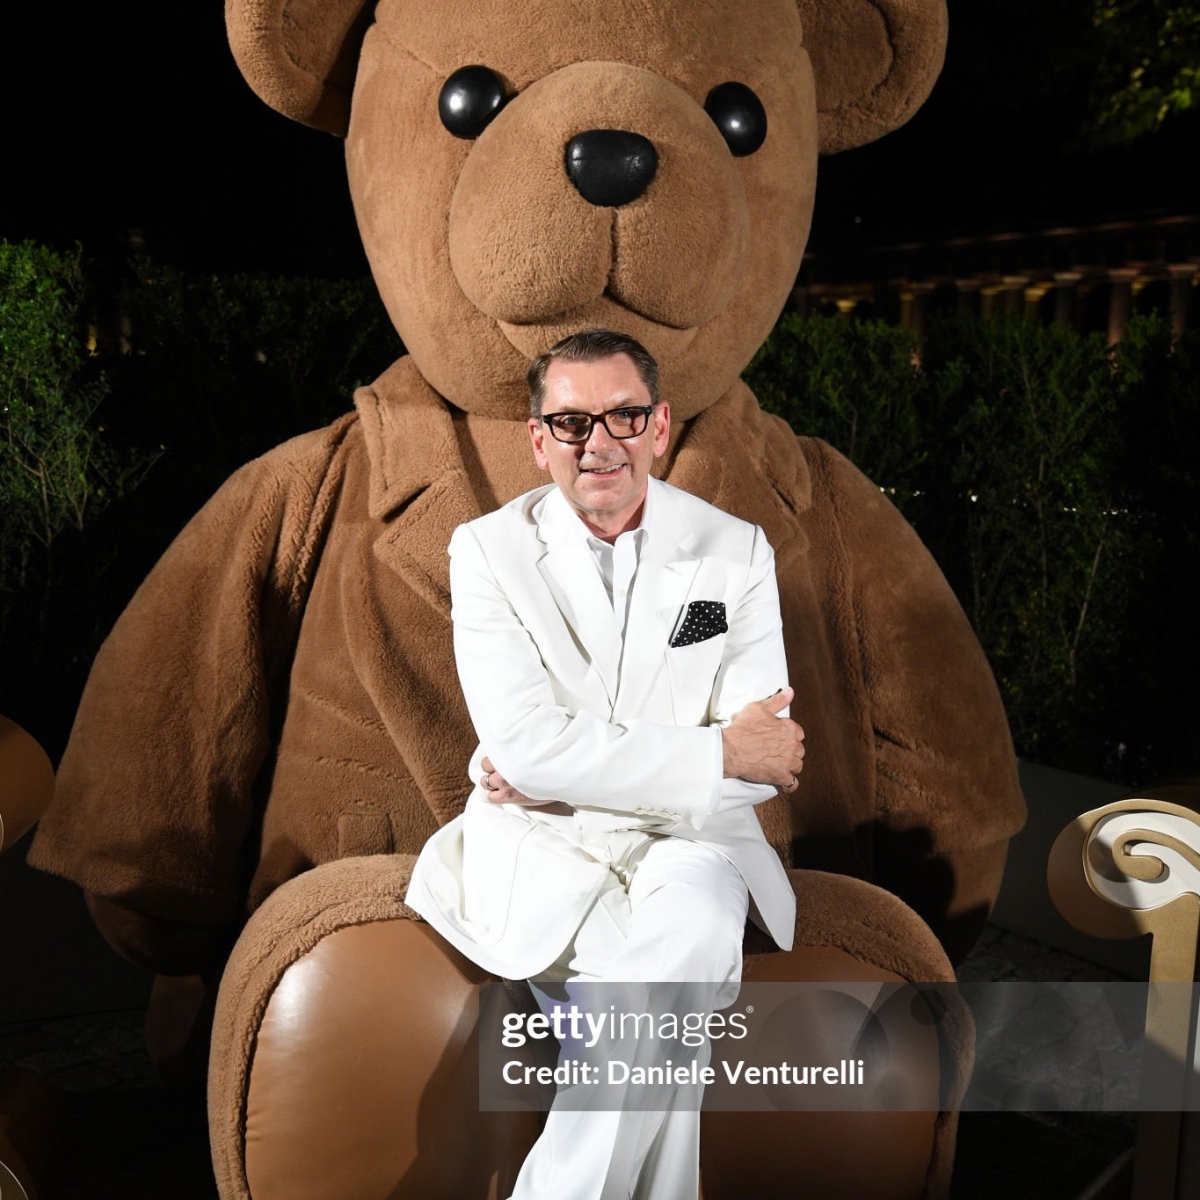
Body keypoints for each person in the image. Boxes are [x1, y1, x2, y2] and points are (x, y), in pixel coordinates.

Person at [405, 328, 805, 1200]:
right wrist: (699, 749)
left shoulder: (734, 550)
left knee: (695, 916)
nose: (602, 444)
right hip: (548, 855)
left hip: (691, 845)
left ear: (660, 426)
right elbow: (525, 744)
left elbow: (762, 758)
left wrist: (565, 775)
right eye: (574, 422)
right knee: (672, 1004)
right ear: (539, 438)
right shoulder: (487, 551)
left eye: (624, 416)